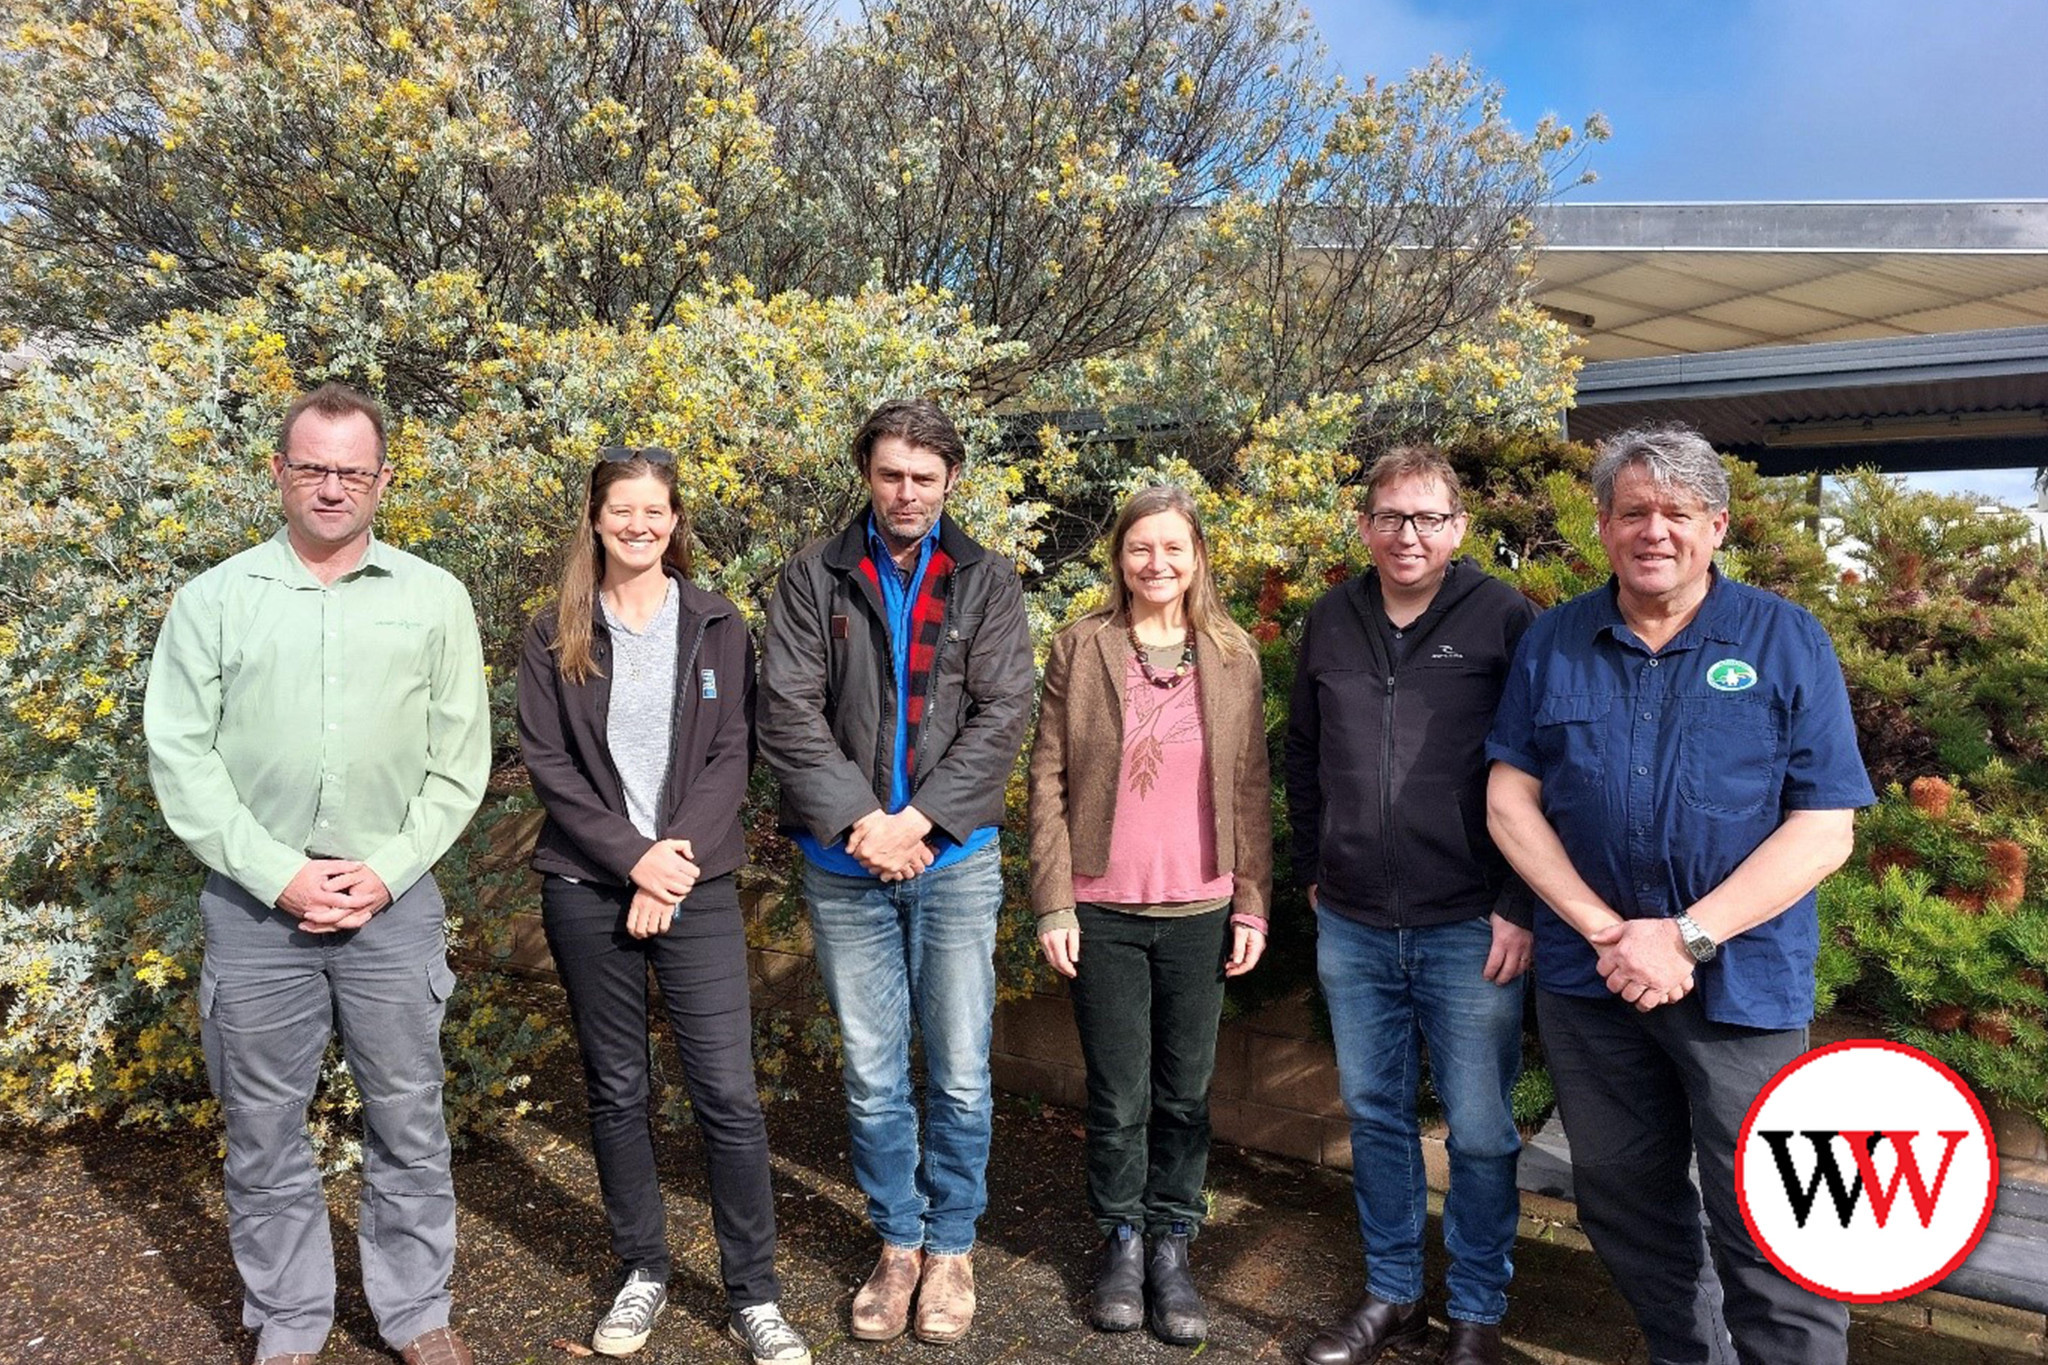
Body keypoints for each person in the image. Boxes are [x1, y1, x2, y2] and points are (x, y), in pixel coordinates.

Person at [1484, 426, 1875, 1365]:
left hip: (1744, 984)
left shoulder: (1786, 640)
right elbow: (1509, 797)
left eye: (1677, 513)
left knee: (1773, 1213)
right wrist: (1609, 932)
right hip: (1596, 985)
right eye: (1633, 512)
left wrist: (1687, 936)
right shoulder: (1554, 642)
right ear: (1604, 525)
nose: (1653, 530)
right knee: (1622, 1197)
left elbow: (1826, 826)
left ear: (1718, 526)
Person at [142, 383, 489, 1365]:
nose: (331, 487)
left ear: (382, 481)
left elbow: (457, 765)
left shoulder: (434, 599)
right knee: (261, 1133)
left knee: (409, 1123)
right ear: (278, 474)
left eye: (351, 470)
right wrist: (279, 874)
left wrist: (382, 871)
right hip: (256, 911)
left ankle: (416, 1313)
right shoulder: (213, 601)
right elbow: (181, 758)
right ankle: (289, 1321)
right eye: (313, 467)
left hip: (394, 905)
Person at [515, 446, 811, 1363]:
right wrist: (633, 861)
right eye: (621, 510)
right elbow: (549, 763)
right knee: (617, 1089)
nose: (639, 525)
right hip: (584, 885)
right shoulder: (552, 629)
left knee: (726, 1092)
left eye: (655, 510)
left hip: (698, 884)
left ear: (676, 520)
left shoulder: (718, 624)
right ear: (595, 518)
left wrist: (670, 867)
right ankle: (642, 1270)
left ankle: (753, 1291)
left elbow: (734, 753)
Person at [757, 397, 1034, 1344]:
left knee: (958, 1069)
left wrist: (917, 820)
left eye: (924, 475)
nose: (906, 490)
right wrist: (865, 823)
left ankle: (952, 1245)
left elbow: (1003, 714)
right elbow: (786, 710)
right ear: (866, 476)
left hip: (954, 856)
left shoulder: (987, 582)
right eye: (890, 474)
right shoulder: (812, 578)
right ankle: (898, 1242)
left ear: (949, 478)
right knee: (875, 1074)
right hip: (845, 860)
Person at [1289, 448, 1538, 1365]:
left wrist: (1520, 902)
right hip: (1353, 921)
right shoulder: (1331, 617)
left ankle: (1476, 1313)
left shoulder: (1506, 617)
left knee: (1479, 1128)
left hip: (1471, 922)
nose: (1409, 535)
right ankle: (1394, 1296)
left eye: (1429, 518)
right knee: (1377, 1112)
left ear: (1458, 528)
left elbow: (1541, 766)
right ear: (1365, 526)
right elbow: (1303, 755)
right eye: (1391, 516)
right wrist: (1314, 864)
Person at [1028, 485, 1273, 1347]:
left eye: (1173, 548)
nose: (1157, 563)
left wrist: (1252, 901)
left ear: (1197, 556)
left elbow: (1250, 788)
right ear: (1119, 557)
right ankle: (1121, 1238)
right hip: (1104, 910)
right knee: (1119, 1091)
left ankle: (1174, 1239)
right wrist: (1054, 899)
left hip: (1203, 905)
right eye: (1140, 548)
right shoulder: (1080, 646)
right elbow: (1047, 780)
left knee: (1185, 1091)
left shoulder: (1233, 653)